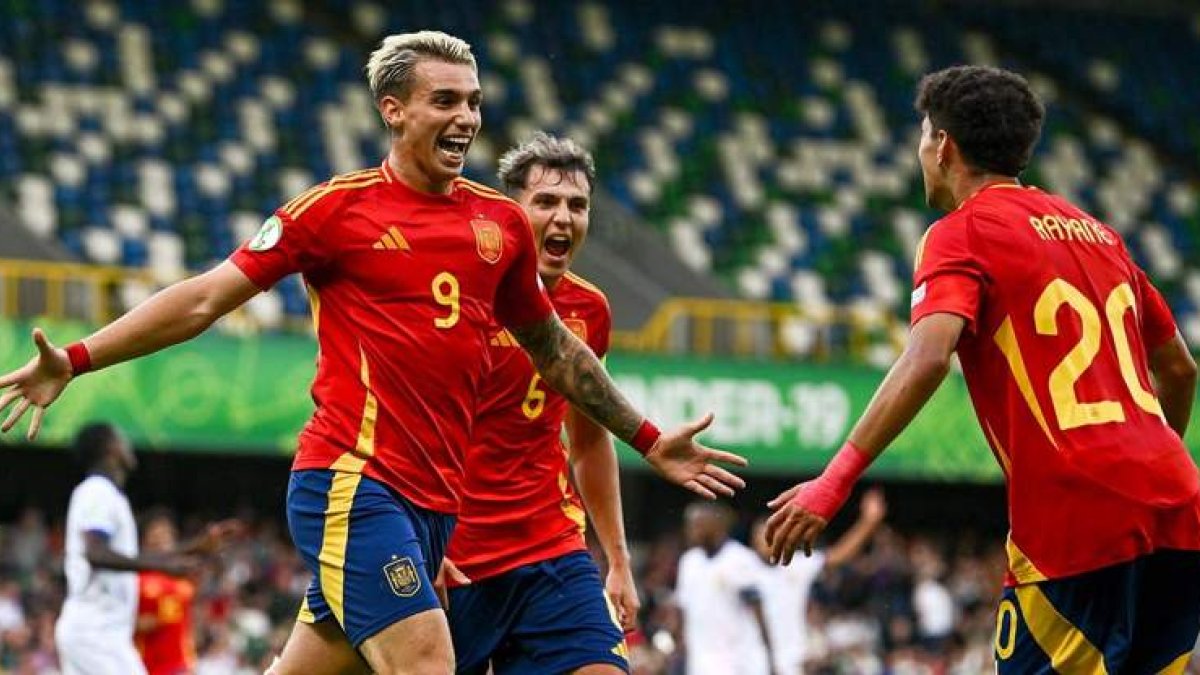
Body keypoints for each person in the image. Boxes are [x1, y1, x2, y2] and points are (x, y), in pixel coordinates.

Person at [0, 31, 746, 675]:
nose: (465, 118)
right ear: (394, 110)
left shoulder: (499, 226)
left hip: (433, 512)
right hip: (351, 485)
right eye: (445, 100)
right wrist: (76, 356)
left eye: (473, 101)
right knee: (427, 661)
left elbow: (557, 350)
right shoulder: (335, 210)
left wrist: (648, 439)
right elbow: (202, 298)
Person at [765, 64, 1200, 673]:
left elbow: (928, 356)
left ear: (943, 145)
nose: (920, 153)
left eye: (922, 137)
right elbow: (1179, 369)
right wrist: (1142, 472)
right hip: (1177, 502)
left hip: (1076, 516)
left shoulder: (959, 234)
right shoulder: (1100, 235)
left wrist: (832, 483)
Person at [444, 133, 635, 674]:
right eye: (546, 202)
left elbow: (589, 440)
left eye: (577, 205)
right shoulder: (458, 294)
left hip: (549, 549)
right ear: (511, 212)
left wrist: (617, 560)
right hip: (453, 555)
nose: (564, 218)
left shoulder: (589, 309)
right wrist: (415, 537)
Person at [54, 423, 236, 675]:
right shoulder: (97, 491)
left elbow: (127, 557)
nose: (127, 445)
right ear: (110, 448)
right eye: (121, 439)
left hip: (99, 631)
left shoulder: (107, 494)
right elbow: (94, 553)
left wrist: (196, 546)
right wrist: (163, 565)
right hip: (96, 630)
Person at [750, 487, 886, 675]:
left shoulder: (795, 564)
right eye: (765, 534)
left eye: (776, 532)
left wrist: (868, 522)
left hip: (791, 661)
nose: (771, 539)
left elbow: (838, 556)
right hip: (747, 659)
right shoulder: (740, 565)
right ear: (753, 539)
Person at [676, 502, 774, 675]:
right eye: (690, 525)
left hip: (737, 659)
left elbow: (757, 610)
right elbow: (683, 609)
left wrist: (769, 656)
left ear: (717, 526)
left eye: (698, 524)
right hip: (700, 658)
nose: (691, 530)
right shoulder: (688, 562)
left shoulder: (740, 559)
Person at [135, 509, 198, 675]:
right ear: (145, 541)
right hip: (147, 665)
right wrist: (138, 623)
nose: (162, 538)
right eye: (156, 534)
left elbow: (186, 624)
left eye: (166, 533)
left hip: (180, 665)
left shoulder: (182, 577)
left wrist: (192, 660)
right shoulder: (137, 578)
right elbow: (123, 620)